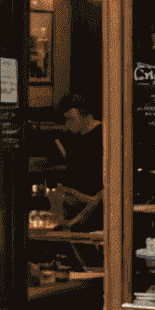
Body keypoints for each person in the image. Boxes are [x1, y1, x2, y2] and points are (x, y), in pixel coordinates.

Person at [53, 92, 104, 228]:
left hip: (94, 210)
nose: (67, 125)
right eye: (65, 120)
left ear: (87, 117)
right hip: (73, 207)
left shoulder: (103, 136)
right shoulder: (73, 137)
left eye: (71, 119)